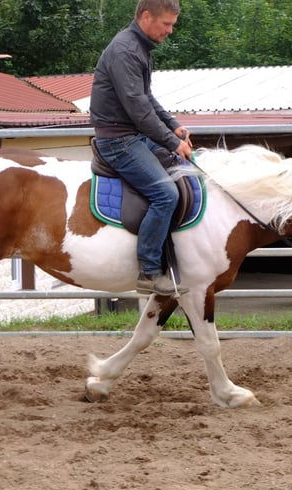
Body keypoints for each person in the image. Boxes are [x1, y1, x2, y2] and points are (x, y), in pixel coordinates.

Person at [90, 0, 191, 297]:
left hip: (131, 134)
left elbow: (146, 99)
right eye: (167, 24)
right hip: (119, 141)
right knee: (166, 194)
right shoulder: (126, 51)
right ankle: (149, 271)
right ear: (147, 17)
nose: (170, 31)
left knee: (180, 169)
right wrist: (174, 142)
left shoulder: (138, 48)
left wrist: (173, 125)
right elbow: (139, 111)